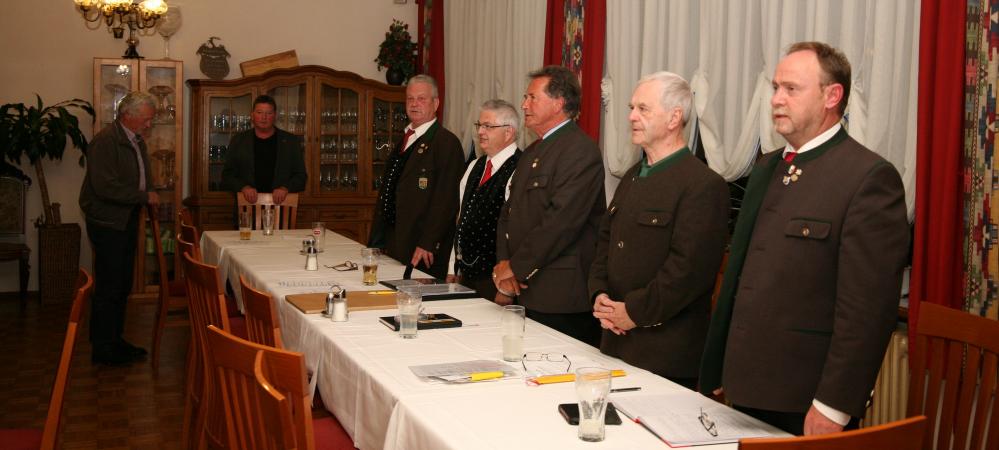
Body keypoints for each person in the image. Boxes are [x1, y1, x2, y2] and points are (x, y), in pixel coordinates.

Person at [698, 42, 910, 435]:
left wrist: (834, 406)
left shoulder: (868, 179)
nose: (776, 99)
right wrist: (720, 367)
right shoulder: (767, 168)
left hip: (805, 399)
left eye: (791, 89)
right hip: (744, 384)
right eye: (775, 88)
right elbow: (741, 276)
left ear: (832, 96)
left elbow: (866, 311)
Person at [589, 72, 729, 390]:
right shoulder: (632, 177)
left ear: (674, 118)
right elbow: (605, 243)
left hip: (665, 352)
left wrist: (633, 312)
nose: (631, 116)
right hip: (615, 340)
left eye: (643, 109)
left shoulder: (703, 185)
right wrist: (599, 295)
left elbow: (687, 272)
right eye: (631, 108)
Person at [493, 66, 606, 346]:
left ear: (558, 103)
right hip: (524, 287)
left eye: (532, 97)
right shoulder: (533, 151)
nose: (524, 105)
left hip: (559, 296)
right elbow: (509, 213)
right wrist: (504, 264)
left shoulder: (580, 151)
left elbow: (560, 223)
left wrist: (515, 267)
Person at [79, 91, 160, 365]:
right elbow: (104, 187)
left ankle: (114, 339)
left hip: (125, 218)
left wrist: (147, 192)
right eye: (146, 119)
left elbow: (140, 176)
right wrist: (143, 196)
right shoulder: (105, 141)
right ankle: (103, 348)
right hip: (108, 222)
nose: (149, 124)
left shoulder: (134, 139)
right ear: (127, 115)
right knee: (110, 285)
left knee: (122, 283)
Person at [369, 75, 464, 279]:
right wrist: (377, 239)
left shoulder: (446, 143)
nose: (414, 104)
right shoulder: (405, 139)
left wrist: (428, 242)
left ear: (436, 104)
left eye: (421, 98)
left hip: (422, 250)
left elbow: (447, 202)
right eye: (410, 99)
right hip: (395, 242)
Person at [447, 99, 523, 301]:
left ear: (509, 132)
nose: (480, 132)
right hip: (465, 275)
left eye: (488, 126)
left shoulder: (520, 169)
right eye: (479, 125)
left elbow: (516, 233)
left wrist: (506, 288)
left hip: (496, 280)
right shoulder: (474, 166)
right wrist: (453, 266)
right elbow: (461, 219)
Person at [221, 95, 307, 205]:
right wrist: (243, 187)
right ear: (252, 115)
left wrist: (285, 188)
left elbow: (301, 177)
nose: (264, 117)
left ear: (275, 116)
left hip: (280, 207)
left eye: (269, 113)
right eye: (259, 112)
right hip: (247, 207)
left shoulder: (291, 141)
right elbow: (227, 176)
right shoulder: (238, 140)